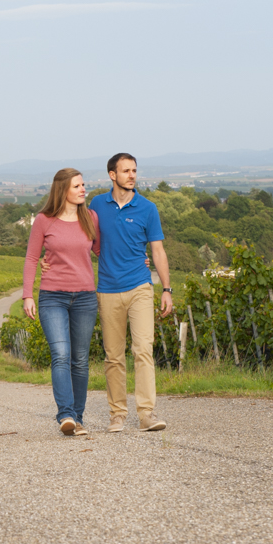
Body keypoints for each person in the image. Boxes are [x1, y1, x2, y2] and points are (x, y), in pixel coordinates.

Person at [90, 152, 172, 432]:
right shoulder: (98, 204)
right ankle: (117, 414)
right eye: (126, 171)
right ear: (112, 175)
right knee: (113, 356)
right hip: (108, 290)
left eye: (134, 170)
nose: (132, 175)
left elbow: (158, 251)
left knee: (143, 350)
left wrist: (166, 289)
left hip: (140, 286)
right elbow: (85, 239)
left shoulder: (148, 208)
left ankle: (146, 413)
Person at [22, 168, 100, 436]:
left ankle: (78, 418)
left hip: (86, 298)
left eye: (83, 185)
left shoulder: (91, 218)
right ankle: (65, 414)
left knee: (79, 359)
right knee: (61, 355)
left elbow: (103, 252)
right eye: (77, 186)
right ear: (63, 190)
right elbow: (32, 258)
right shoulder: (44, 220)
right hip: (52, 297)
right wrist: (27, 295)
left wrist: (140, 260)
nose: (83, 189)